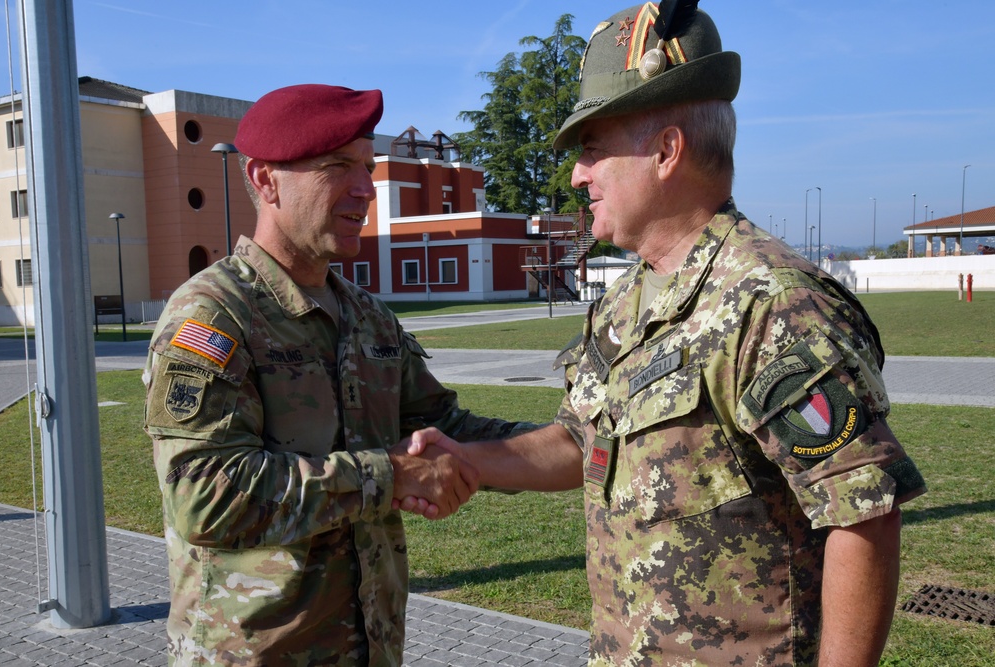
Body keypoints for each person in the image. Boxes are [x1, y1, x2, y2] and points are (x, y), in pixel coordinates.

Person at [404, 2, 927, 665]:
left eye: (592, 148)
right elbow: (579, 440)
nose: (576, 175)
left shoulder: (769, 305)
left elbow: (863, 514)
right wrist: (467, 459)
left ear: (665, 150)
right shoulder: (627, 301)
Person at [143, 83, 527, 666]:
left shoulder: (368, 316)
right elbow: (205, 496)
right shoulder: (214, 314)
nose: (364, 190)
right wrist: (388, 477)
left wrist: (573, 440)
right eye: (337, 167)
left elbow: (444, 427)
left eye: (367, 168)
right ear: (267, 180)